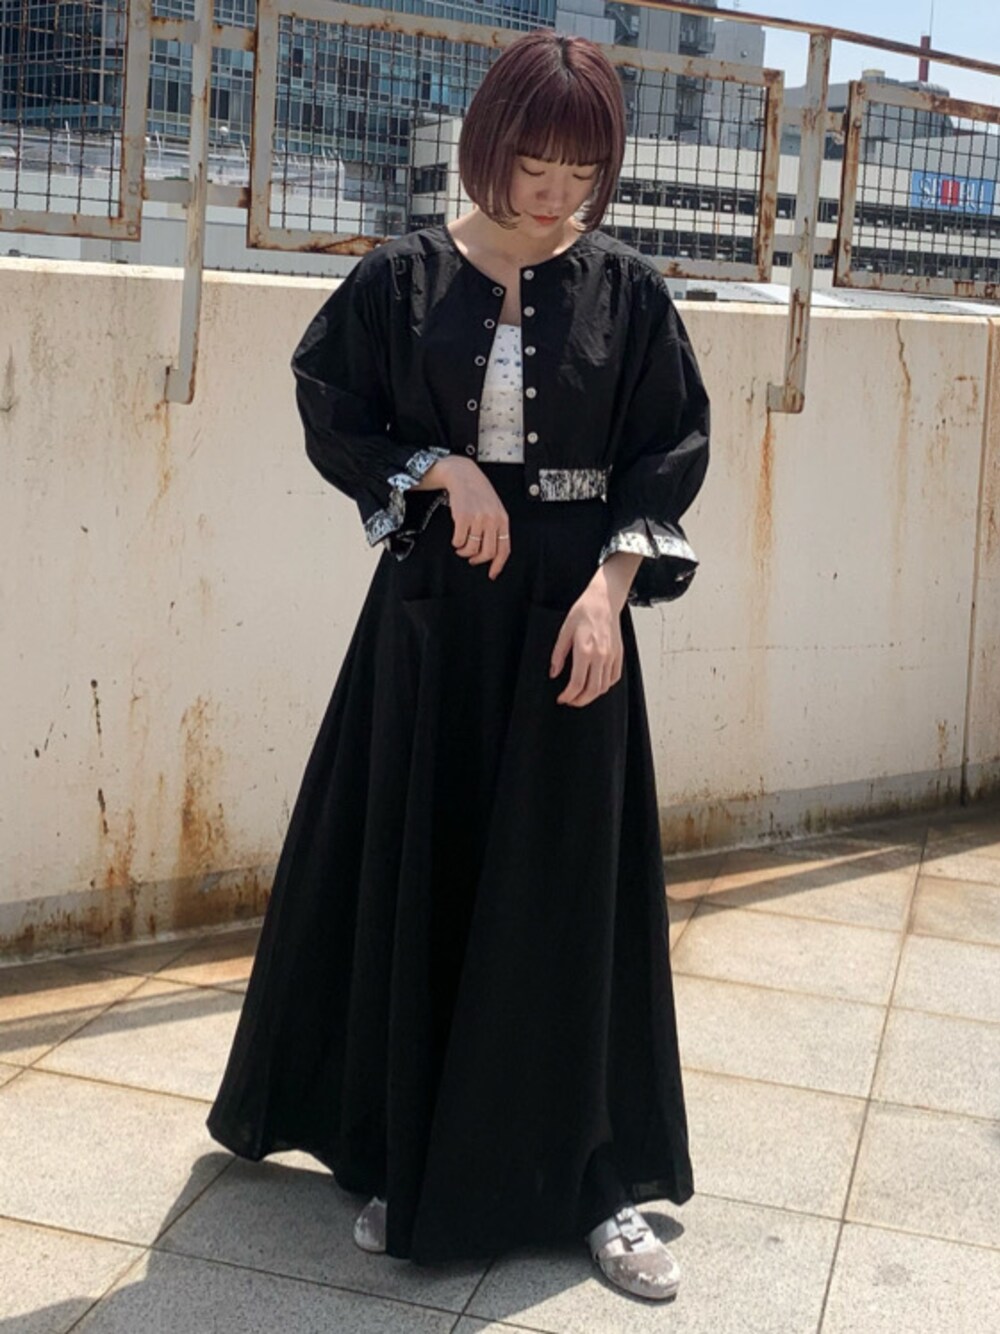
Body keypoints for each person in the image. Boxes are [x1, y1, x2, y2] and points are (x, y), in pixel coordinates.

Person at [206, 28, 710, 1303]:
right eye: (535, 167)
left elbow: (666, 450)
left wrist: (608, 593)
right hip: (435, 618)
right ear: (488, 146)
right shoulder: (401, 277)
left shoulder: (629, 291)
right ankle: (406, 1152)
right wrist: (439, 467)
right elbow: (333, 404)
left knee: (565, 893)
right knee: (421, 874)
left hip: (568, 620)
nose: (554, 196)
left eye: (580, 175)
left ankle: (593, 1179)